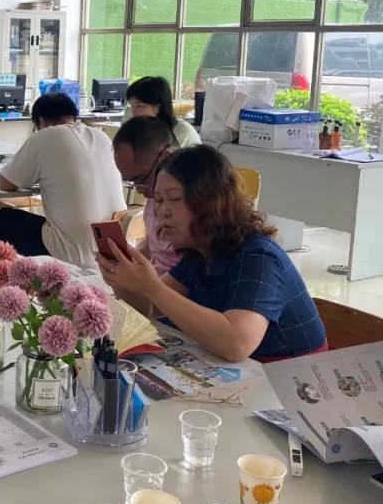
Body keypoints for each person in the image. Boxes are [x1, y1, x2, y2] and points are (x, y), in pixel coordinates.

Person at [97, 145, 326, 362]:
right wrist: (123, 281)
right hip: (246, 370)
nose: (162, 211)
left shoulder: (259, 256)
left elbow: (237, 343)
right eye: (158, 200)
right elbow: (149, 308)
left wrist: (153, 288)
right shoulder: (199, 253)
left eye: (174, 198)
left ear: (210, 200)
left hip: (292, 376)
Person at [0, 93, 125, 268]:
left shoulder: (45, 136)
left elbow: (5, 182)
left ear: (41, 121)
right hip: (111, 250)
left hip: (72, 253)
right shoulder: (102, 137)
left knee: (4, 219)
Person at [112, 116, 189, 280]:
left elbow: (186, 277)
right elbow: (151, 245)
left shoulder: (193, 204)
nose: (140, 191)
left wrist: (146, 288)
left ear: (166, 157)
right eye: (131, 182)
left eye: (142, 179)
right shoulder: (156, 194)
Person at [125, 76, 201, 148]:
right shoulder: (141, 128)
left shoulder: (181, 132)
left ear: (158, 107)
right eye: (132, 106)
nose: (133, 112)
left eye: (139, 106)